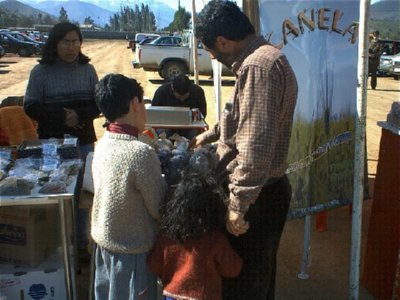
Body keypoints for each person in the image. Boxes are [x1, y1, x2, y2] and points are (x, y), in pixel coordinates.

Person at [192, 1, 298, 298]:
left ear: (223, 41)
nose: (211, 56)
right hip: (264, 191)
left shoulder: (257, 67)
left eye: (210, 49)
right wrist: (210, 135)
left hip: (257, 195)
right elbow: (243, 117)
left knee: (244, 281)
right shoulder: (265, 59)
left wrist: (239, 203)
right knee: (260, 275)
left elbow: (255, 144)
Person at [24, 22, 100, 262]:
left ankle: (80, 245)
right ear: (54, 43)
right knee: (54, 193)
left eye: (76, 41)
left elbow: (99, 103)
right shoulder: (41, 72)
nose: (71, 47)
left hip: (84, 143)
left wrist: (79, 115)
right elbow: (31, 105)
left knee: (81, 196)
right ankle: (54, 244)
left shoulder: (87, 70)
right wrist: (61, 117)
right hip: (52, 145)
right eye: (66, 42)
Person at [91, 73, 166, 299]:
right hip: (133, 252)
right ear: (135, 104)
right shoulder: (140, 152)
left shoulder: (103, 142)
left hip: (105, 244)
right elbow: (159, 207)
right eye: (142, 102)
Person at [148, 170, 242, 300]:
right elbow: (233, 269)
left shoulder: (167, 236)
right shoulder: (215, 239)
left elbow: (154, 265)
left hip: (172, 295)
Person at [152, 74, 207, 140]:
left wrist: (193, 118)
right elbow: (154, 113)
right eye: (179, 97)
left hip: (190, 127)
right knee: (162, 133)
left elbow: (202, 113)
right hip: (167, 127)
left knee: (195, 135)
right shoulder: (161, 92)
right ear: (172, 88)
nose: (182, 100)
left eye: (185, 97)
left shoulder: (198, 92)